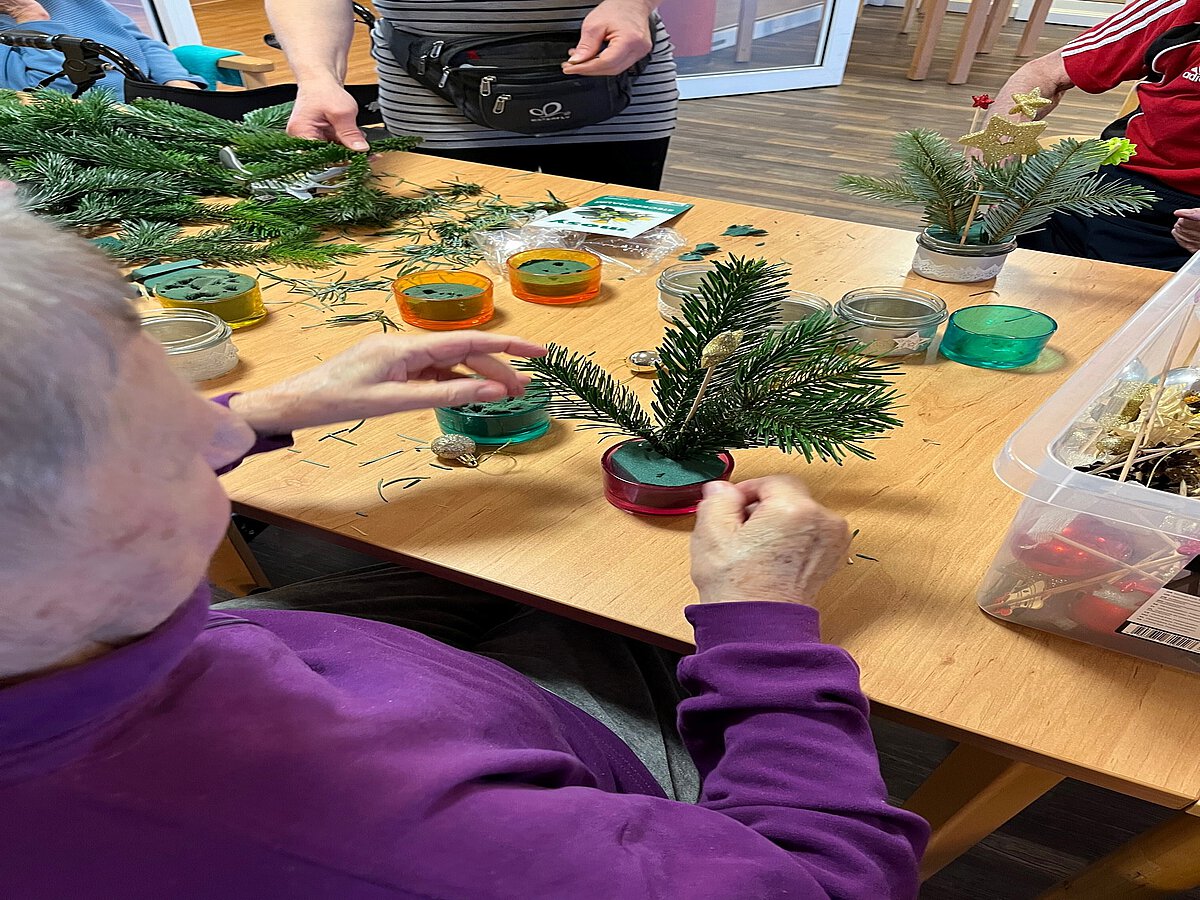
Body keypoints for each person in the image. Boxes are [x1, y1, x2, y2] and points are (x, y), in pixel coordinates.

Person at [0, 199, 927, 898]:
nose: (214, 433)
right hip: (553, 765)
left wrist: (272, 410)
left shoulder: (58, 626)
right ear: (100, 526)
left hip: (285, 655)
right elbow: (826, 883)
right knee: (620, 614)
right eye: (171, 435)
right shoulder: (374, 837)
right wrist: (764, 623)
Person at [265, 0, 677, 189]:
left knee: (622, 250)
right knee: (451, 264)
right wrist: (318, 78)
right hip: (433, 100)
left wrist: (633, 3)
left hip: (615, 81)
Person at [990, 0, 1200, 271]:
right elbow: (1043, 74)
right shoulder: (1182, 8)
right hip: (1106, 188)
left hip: (1182, 231)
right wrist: (996, 155)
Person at [0, 0, 204, 96]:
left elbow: (143, 43)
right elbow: (52, 92)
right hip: (96, 129)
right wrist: (30, 16)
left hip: (155, 101)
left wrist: (176, 80)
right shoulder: (23, 16)